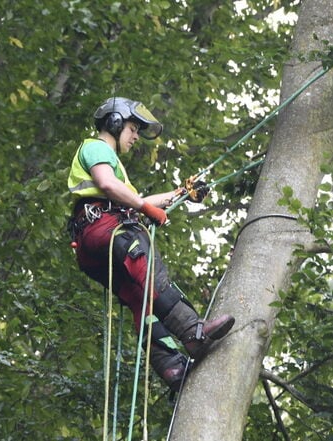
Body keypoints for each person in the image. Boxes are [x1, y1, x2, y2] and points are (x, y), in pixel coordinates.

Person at [66, 97, 235, 392]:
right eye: (132, 129)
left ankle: (169, 365)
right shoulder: (96, 148)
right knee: (149, 272)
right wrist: (145, 209)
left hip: (93, 240)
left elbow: (132, 199)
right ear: (115, 122)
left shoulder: (115, 170)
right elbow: (107, 185)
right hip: (107, 229)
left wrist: (181, 193)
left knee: (138, 297)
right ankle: (193, 330)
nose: (134, 137)